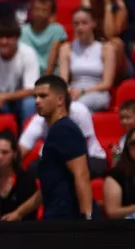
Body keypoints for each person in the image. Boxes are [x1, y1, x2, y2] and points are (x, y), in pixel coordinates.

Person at [31, 75, 98, 221]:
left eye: (43, 96)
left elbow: (81, 174)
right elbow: (49, 185)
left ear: (60, 99)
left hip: (68, 220)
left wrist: (87, 218)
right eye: (35, 96)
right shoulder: (56, 130)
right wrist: (19, 213)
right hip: (58, 217)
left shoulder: (64, 130)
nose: (37, 101)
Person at [57, 8, 116, 112]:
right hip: (74, 90)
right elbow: (63, 80)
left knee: (77, 106)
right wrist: (69, 91)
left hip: (97, 91)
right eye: (76, 24)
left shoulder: (106, 48)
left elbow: (107, 83)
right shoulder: (66, 48)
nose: (80, 27)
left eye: (84, 23)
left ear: (93, 24)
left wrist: (83, 91)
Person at [102, 129, 135, 219]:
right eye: (133, 143)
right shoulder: (116, 175)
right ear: (127, 148)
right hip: (128, 226)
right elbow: (112, 212)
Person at [20, 0, 68, 74]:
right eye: (37, 9)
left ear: (51, 14)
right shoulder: (23, 31)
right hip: (29, 73)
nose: (39, 13)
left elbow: (53, 56)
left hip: (51, 75)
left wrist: (46, 78)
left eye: (44, 10)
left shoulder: (57, 30)